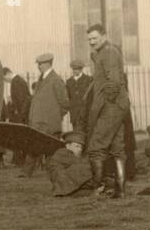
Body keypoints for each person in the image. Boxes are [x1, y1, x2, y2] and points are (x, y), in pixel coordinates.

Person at [84, 23, 130, 196]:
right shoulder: (102, 53)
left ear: (104, 36)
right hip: (118, 105)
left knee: (96, 146)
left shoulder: (108, 53)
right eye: (89, 39)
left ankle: (98, 187)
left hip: (112, 105)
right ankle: (120, 189)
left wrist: (108, 102)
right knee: (117, 146)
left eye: (94, 38)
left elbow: (114, 81)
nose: (91, 42)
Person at [24, 53, 68, 177]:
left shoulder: (56, 80)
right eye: (38, 64)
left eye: (40, 64)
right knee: (33, 147)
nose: (38, 66)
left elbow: (64, 103)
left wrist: (54, 117)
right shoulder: (41, 79)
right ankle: (26, 173)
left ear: (48, 63)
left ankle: (54, 173)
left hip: (49, 124)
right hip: (38, 123)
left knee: (50, 150)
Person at [49, 131, 94, 197]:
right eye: (77, 146)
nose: (80, 149)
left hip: (66, 181)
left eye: (81, 147)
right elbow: (80, 163)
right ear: (68, 145)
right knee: (82, 168)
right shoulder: (62, 152)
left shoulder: (72, 155)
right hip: (61, 181)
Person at [66, 60, 92, 134]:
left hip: (86, 112)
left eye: (77, 69)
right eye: (73, 69)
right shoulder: (69, 81)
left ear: (81, 69)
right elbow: (67, 97)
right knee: (76, 134)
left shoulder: (88, 80)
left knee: (86, 133)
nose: (75, 71)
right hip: (74, 113)